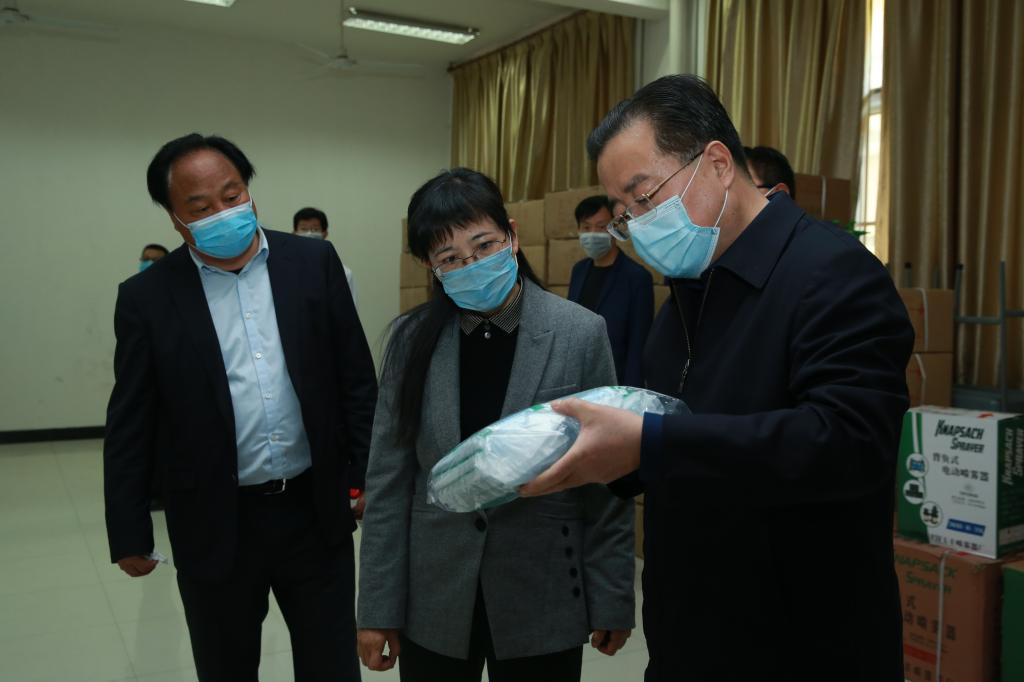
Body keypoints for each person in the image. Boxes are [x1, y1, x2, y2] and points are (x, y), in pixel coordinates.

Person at [521, 75, 914, 681]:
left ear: (718, 163)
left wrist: (649, 443)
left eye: (644, 198)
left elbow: (848, 444)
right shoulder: (687, 293)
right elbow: (677, 435)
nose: (637, 226)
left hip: (802, 643)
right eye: (624, 215)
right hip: (690, 636)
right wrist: (601, 454)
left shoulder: (833, 272)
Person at [104, 133, 377, 681]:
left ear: (249, 192)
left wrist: (369, 474)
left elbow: (355, 380)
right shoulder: (146, 298)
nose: (223, 213)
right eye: (201, 207)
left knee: (330, 665)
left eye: (232, 196)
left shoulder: (313, 263)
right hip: (213, 519)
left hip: (314, 511)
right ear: (175, 219)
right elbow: (131, 419)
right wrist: (128, 528)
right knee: (225, 666)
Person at [356, 168, 635, 682]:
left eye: (484, 245)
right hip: (435, 594)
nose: (472, 265)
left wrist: (612, 595)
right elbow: (389, 483)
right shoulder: (410, 342)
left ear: (511, 235)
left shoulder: (579, 332)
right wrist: (376, 610)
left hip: (543, 586)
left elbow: (605, 478)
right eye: (451, 258)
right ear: (430, 266)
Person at [567, 195, 653, 386]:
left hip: (615, 381)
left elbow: (638, 345)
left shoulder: (637, 278)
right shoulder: (578, 271)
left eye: (601, 226)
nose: (593, 233)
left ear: (614, 228)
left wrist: (629, 393)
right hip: (578, 378)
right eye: (586, 227)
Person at [293, 206, 357, 305]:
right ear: (294, 233)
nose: (309, 233)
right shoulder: (285, 269)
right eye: (303, 229)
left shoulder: (343, 273)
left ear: (325, 233)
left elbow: (350, 310)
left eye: (315, 229)